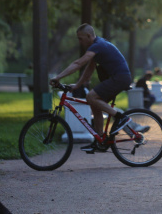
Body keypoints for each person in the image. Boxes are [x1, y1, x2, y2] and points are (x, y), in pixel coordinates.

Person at [50, 23, 148, 153]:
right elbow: (89, 68)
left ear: (89, 36)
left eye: (80, 38)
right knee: (94, 105)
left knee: (90, 96)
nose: (79, 42)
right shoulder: (96, 46)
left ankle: (121, 118)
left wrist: (58, 77)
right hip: (117, 78)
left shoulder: (98, 45)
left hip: (119, 78)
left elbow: (78, 63)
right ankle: (100, 141)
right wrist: (78, 85)